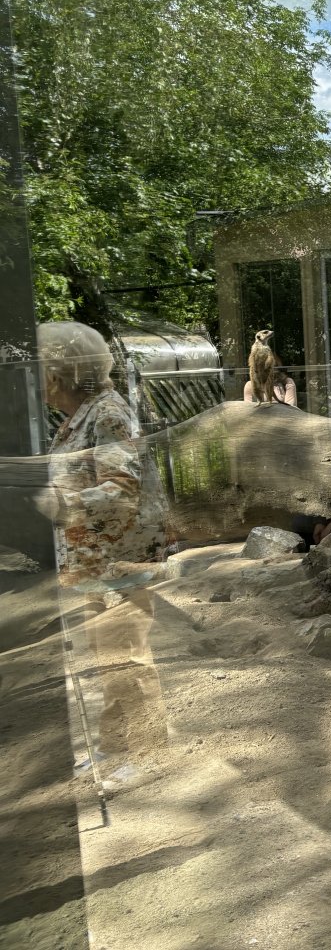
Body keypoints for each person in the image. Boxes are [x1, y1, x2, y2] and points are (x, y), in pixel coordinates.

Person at [37, 321, 169, 771]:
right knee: (111, 657)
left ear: (59, 372)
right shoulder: (83, 416)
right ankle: (119, 746)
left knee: (125, 655)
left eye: (40, 366)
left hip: (116, 560)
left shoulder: (107, 413)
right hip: (96, 562)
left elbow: (122, 489)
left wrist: (62, 503)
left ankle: (140, 753)